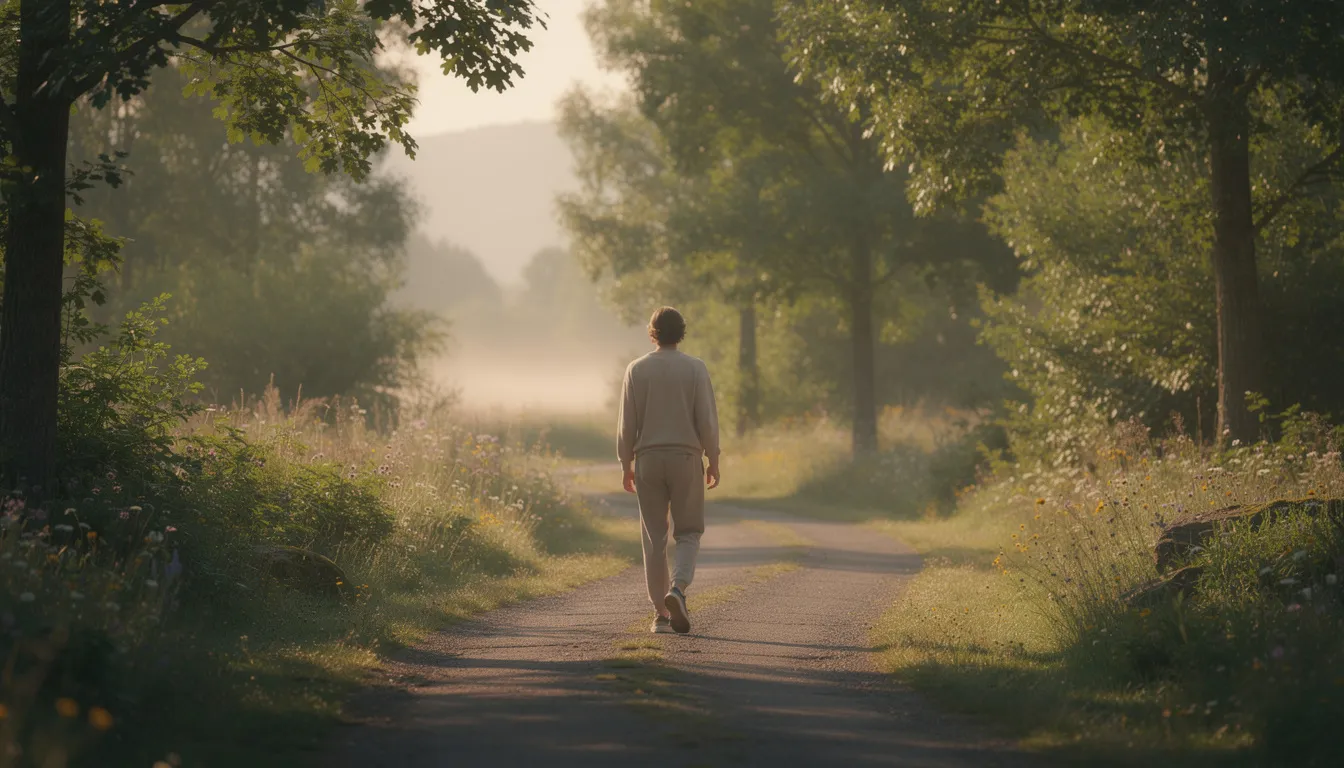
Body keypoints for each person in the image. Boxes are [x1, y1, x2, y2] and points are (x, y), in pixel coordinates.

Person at [617, 307, 721, 634]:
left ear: (652, 333)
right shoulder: (695, 369)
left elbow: (627, 424)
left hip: (648, 459)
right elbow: (706, 419)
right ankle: (677, 588)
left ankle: (660, 615)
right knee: (688, 530)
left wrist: (625, 464)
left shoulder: (636, 369)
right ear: (682, 333)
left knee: (654, 535)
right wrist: (713, 458)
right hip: (686, 457)